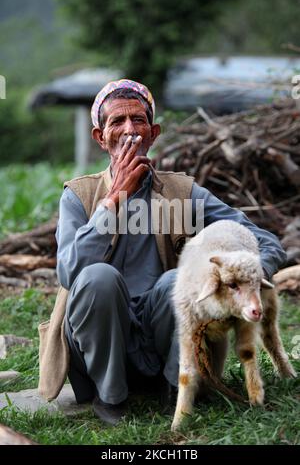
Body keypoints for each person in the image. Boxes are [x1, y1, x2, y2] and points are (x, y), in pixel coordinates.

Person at [38, 79, 286, 426]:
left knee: (176, 279)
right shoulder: (79, 196)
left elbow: (261, 238)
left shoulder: (183, 193)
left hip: (168, 340)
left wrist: (248, 270)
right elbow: (68, 271)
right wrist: (113, 201)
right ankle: (110, 399)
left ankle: (175, 389)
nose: (129, 131)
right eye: (117, 122)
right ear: (100, 137)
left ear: (153, 133)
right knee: (98, 278)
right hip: (101, 347)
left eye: (138, 121)